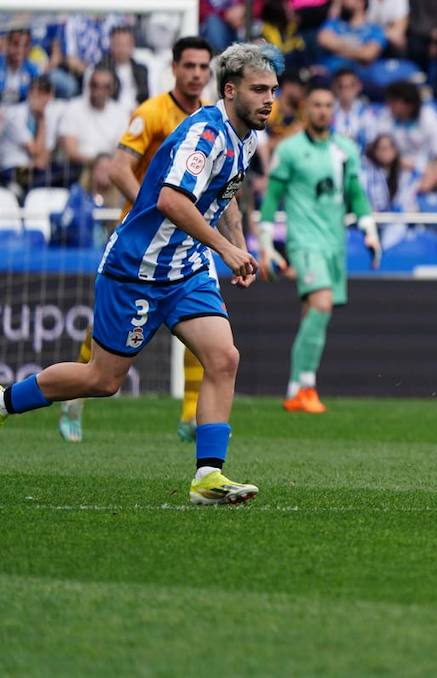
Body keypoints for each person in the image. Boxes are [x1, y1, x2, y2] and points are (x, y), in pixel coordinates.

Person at [0, 43, 276, 507]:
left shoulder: (245, 135)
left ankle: (208, 476)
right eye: (259, 89)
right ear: (230, 91)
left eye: (273, 89)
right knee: (102, 379)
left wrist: (240, 246)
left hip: (186, 269)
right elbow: (171, 201)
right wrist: (226, 248)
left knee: (224, 357)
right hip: (137, 269)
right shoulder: (203, 135)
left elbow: (225, 192)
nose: (270, 98)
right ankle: (6, 400)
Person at [63, 37, 215, 443]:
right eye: (190, 66)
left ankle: (190, 417)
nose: (197, 74)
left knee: (200, 324)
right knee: (105, 331)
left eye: (204, 67)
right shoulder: (151, 112)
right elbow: (118, 168)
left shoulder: (214, 118)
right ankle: (74, 400)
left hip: (188, 240)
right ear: (174, 67)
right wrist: (152, 207)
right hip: (140, 241)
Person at [259, 81, 382, 414]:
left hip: (334, 242)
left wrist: (369, 230)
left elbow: (356, 193)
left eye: (328, 105)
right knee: (322, 305)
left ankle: (295, 387)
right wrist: (266, 245)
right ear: (305, 109)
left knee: (313, 312)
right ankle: (307, 384)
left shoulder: (345, 149)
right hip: (304, 241)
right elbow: (271, 198)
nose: (323, 110)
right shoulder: (288, 149)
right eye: (316, 105)